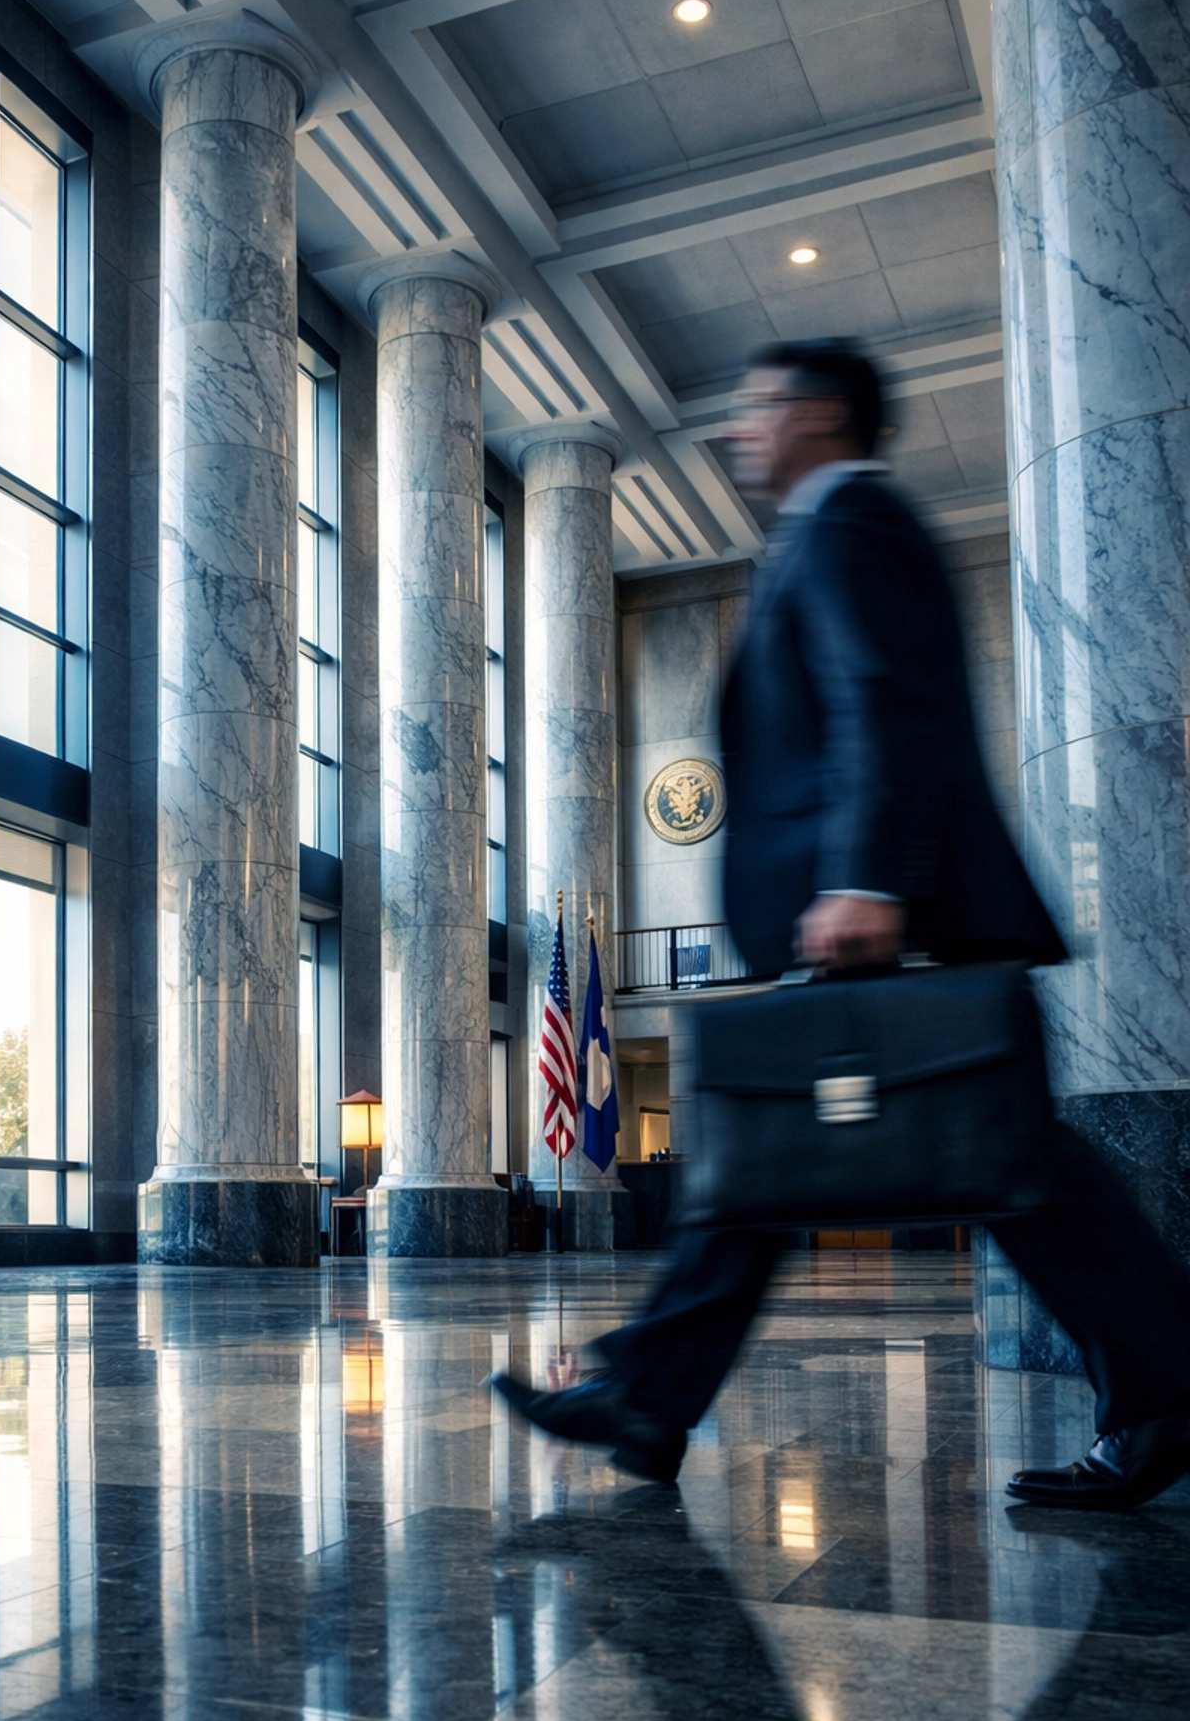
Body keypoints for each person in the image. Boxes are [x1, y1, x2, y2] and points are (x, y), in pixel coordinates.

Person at [492, 340, 1190, 1512]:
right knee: (816, 1176)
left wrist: (867, 877)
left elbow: (886, 702)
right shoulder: (821, 534)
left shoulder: (854, 522)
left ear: (820, 414)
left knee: (997, 1177)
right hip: (871, 924)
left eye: (759, 408)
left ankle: (651, 1399)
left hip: (889, 924)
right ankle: (649, 1401)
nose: (738, 432)